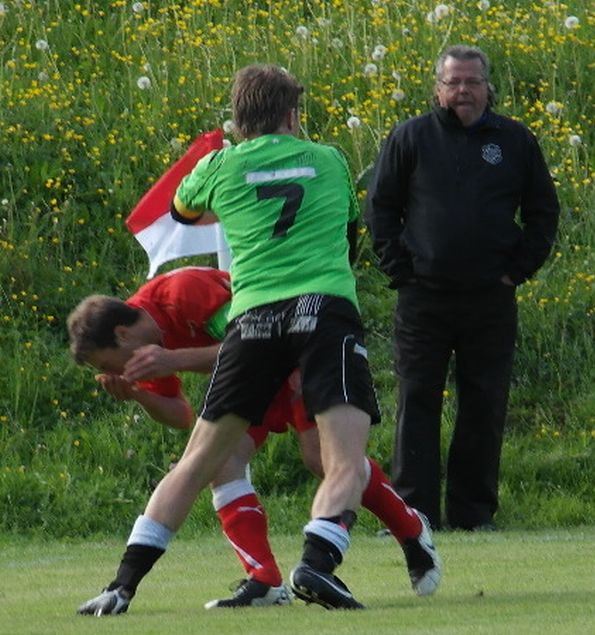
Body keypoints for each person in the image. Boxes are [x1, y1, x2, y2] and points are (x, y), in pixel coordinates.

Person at [76, 63, 441, 616]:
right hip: (323, 310)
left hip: (253, 321)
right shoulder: (330, 158)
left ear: (238, 115)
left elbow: (181, 210)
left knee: (196, 463)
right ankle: (316, 565)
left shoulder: (217, 165)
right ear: (294, 112)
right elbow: (347, 234)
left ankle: (122, 584)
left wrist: (229, 169)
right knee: (342, 459)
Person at [365, 45, 560, 531]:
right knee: (417, 401)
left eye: (472, 82)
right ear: (438, 88)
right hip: (422, 298)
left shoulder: (514, 140)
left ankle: (474, 515)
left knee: (484, 402)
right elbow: (380, 208)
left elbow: (543, 212)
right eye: (453, 82)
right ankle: (415, 514)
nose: (463, 91)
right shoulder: (411, 137)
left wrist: (518, 270)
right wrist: (399, 270)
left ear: (488, 87)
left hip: (490, 298)